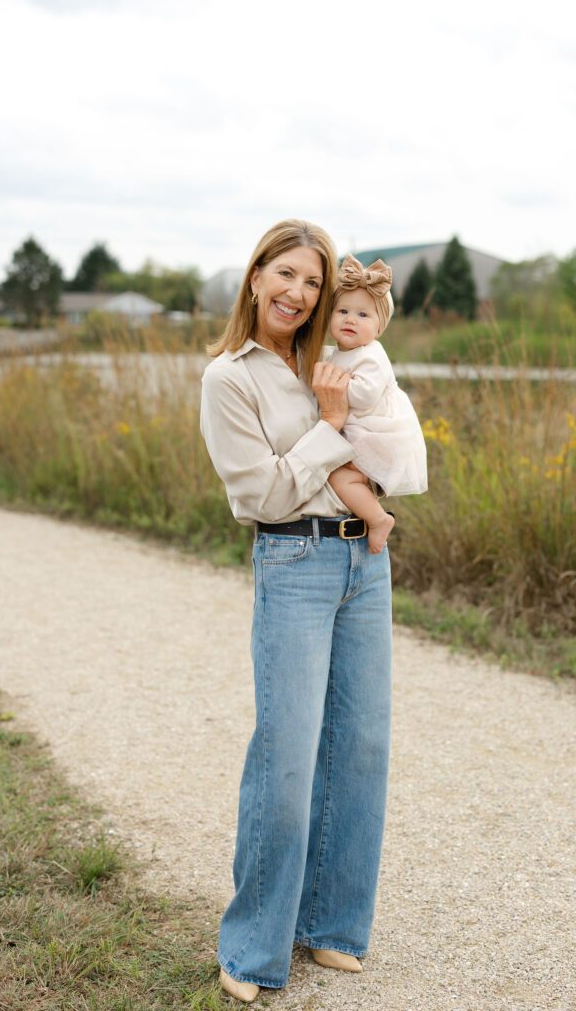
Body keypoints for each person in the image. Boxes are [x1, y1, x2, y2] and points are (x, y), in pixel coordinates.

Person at [200, 220, 393, 1003]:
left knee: (360, 747)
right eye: (284, 275)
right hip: (293, 559)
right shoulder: (229, 377)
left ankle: (332, 926)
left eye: (312, 282)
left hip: (366, 560)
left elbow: (380, 427)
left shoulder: (334, 356)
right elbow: (261, 493)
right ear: (254, 278)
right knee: (285, 757)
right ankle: (251, 951)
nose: (298, 293)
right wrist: (330, 430)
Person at [326, 254, 428, 554]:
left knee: (338, 476)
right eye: (342, 310)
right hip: (363, 432)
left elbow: (364, 395)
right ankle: (371, 515)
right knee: (341, 474)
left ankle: (378, 519)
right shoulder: (338, 352)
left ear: (379, 328)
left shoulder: (372, 354)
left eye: (363, 315)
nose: (350, 319)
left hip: (378, 433)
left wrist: (334, 385)